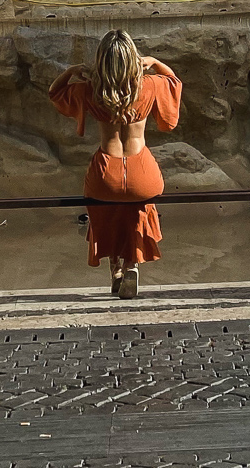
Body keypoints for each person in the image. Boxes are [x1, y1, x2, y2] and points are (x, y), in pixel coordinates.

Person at [49, 29, 182, 299]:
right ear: (134, 58)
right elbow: (174, 81)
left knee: (105, 214)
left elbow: (55, 92)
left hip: (105, 173)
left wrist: (73, 70)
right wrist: (154, 61)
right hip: (141, 171)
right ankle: (132, 265)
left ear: (101, 61)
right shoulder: (149, 85)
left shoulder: (90, 90)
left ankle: (116, 272)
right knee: (139, 210)